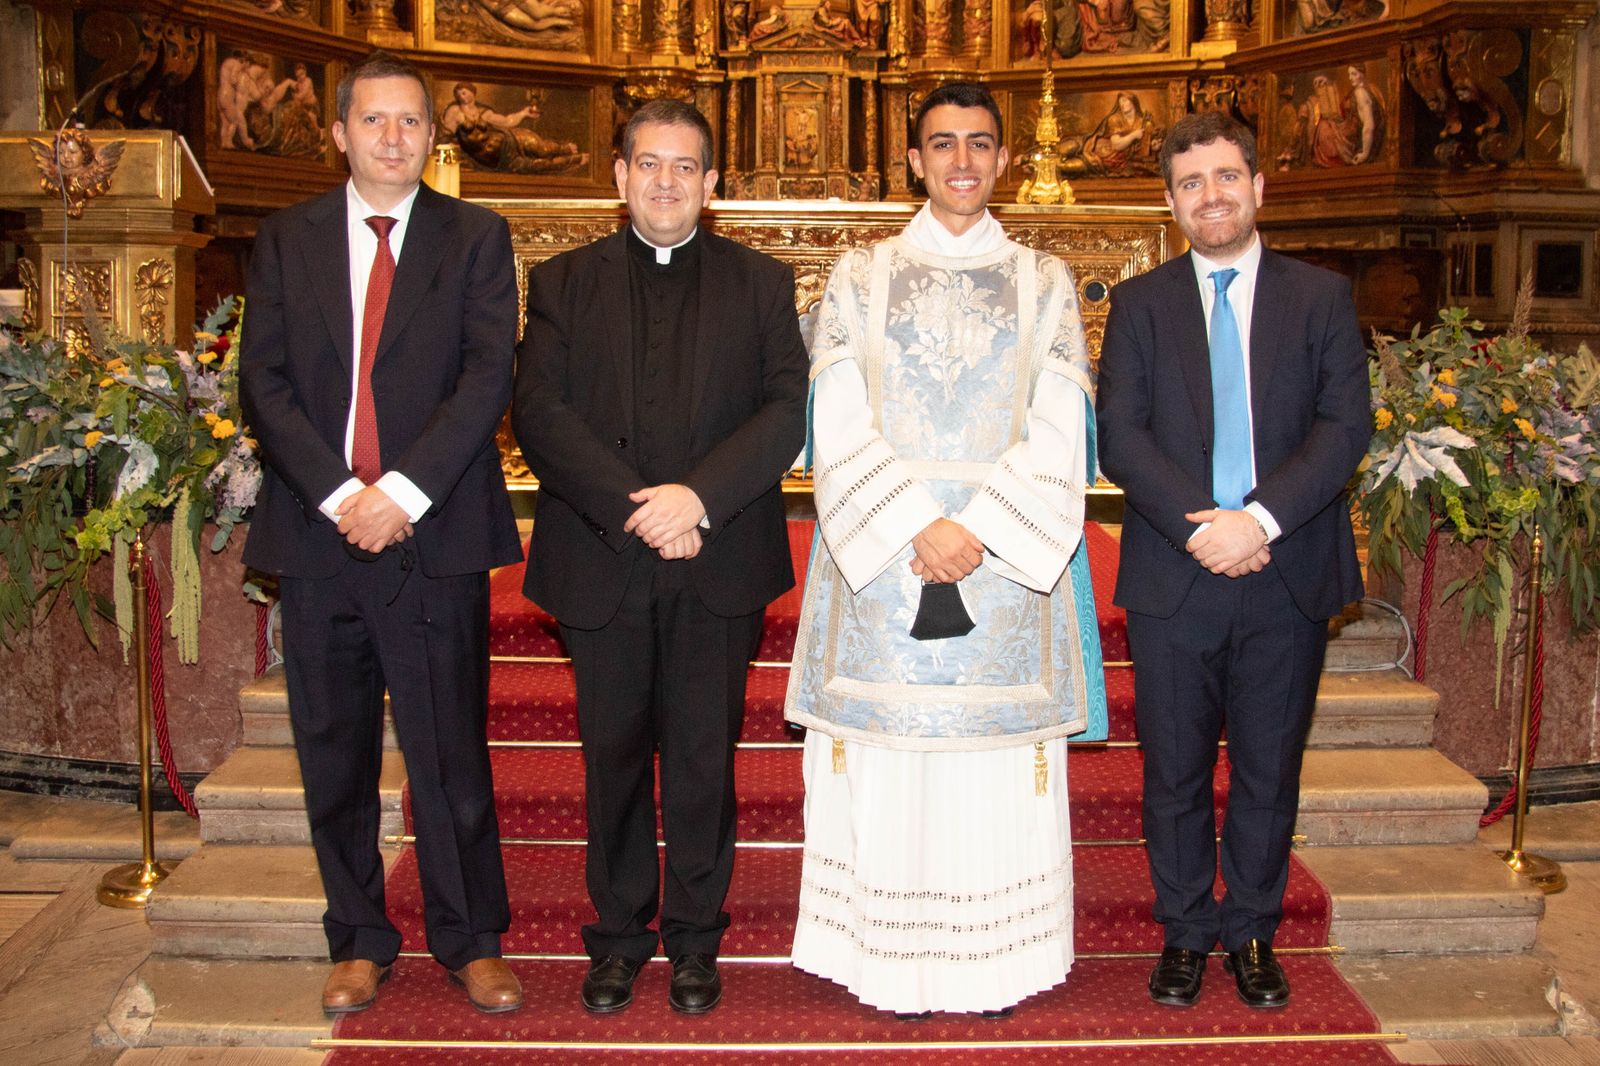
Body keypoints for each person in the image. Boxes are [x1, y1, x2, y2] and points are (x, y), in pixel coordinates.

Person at [784, 82, 1108, 1017]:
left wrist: (982, 528)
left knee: (990, 770)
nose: (962, 161)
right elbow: (834, 414)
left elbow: (1063, 421)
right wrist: (914, 523)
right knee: (891, 759)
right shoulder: (858, 275)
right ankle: (892, 965)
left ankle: (990, 967)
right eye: (942, 145)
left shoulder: (1046, 282)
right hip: (886, 561)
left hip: (1003, 563)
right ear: (915, 161)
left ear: (1003, 160)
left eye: (979, 144)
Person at [240, 50, 525, 1018]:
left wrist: (400, 492)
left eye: (411, 121)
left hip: (431, 532)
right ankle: (358, 937)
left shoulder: (475, 236)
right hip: (322, 537)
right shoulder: (286, 237)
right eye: (375, 121)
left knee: (450, 746)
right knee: (334, 744)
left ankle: (470, 937)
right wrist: (338, 494)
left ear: (432, 134)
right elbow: (263, 382)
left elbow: (487, 375)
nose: (394, 138)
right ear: (339, 132)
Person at [512, 99, 808, 1016]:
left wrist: (697, 499)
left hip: (716, 558)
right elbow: (540, 414)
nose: (666, 182)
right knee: (610, 757)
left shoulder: (760, 282)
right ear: (619, 174)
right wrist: (639, 510)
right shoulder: (563, 283)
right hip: (605, 555)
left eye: (685, 167)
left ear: (713, 184)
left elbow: (785, 408)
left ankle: (693, 939)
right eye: (648, 164)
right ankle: (617, 938)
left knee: (701, 758)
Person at [1095, 112, 1371, 1011]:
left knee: (1266, 766)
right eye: (1189, 183)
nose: (1209, 196)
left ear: (1258, 185)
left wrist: (1258, 521)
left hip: (1286, 572)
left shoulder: (1321, 297)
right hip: (1179, 575)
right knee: (1171, 768)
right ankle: (1184, 932)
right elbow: (1121, 438)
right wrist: (1201, 528)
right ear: (1170, 202)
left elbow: (1344, 428)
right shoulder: (1140, 304)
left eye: (1225, 177)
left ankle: (1251, 930)